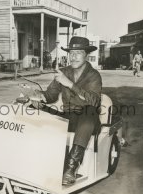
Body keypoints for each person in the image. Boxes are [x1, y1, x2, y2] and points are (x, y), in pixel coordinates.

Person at [31, 36, 102, 185]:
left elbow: (94, 102)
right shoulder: (63, 72)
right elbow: (51, 96)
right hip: (68, 118)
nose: (73, 57)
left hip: (87, 122)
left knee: (89, 111)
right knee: (33, 107)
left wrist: (69, 84)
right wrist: (40, 96)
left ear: (86, 54)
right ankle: (32, 155)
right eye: (71, 53)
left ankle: (71, 167)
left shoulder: (94, 75)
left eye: (78, 52)